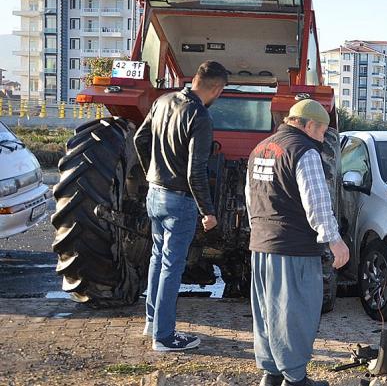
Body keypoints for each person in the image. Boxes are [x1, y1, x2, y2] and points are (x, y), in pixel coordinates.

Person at [246, 98, 349, 386]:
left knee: (267, 312)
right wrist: (334, 240)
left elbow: (250, 197)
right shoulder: (304, 151)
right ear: (310, 125)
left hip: (261, 245)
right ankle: (295, 379)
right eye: (321, 132)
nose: (321, 140)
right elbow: (316, 201)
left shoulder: (260, 149)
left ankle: (272, 374)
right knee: (296, 313)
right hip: (293, 249)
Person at [134, 60, 228, 351]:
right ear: (217, 88)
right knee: (171, 266)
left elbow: (140, 138)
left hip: (155, 194)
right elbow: (195, 172)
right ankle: (164, 337)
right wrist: (208, 211)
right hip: (179, 201)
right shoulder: (199, 115)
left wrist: (152, 172)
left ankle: (152, 322)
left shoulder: (162, 101)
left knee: (157, 258)